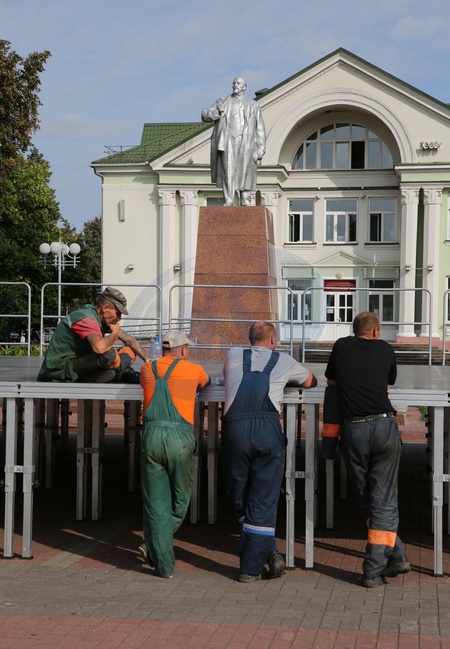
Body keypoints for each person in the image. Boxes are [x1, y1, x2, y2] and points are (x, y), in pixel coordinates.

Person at [221, 321, 317, 582]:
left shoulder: (233, 354)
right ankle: (251, 568)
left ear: (249, 338)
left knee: (239, 495)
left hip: (235, 433)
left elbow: (227, 377)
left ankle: (270, 553)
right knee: (262, 499)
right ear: (273, 340)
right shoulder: (284, 360)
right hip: (267, 433)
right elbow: (310, 381)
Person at [325, 311, 411, 588]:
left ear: (355, 330)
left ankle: (395, 556)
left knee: (365, 496)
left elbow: (331, 382)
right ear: (375, 331)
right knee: (383, 498)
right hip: (383, 427)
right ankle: (375, 568)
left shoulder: (340, 346)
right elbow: (389, 381)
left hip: (353, 430)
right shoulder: (385, 349)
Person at [138, 330, 211, 579]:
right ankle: (151, 545)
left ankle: (165, 566)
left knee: (155, 503)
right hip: (179, 440)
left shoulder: (146, 369)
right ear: (184, 349)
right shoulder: (193, 370)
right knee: (180, 501)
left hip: (151, 438)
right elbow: (206, 383)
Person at [37, 286, 149, 383]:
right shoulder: (86, 319)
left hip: (78, 363)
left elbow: (130, 340)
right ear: (105, 308)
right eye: (118, 313)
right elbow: (99, 348)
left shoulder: (101, 319)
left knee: (129, 350)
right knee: (109, 354)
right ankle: (122, 372)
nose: (119, 318)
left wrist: (148, 360)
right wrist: (114, 334)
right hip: (59, 369)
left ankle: (107, 374)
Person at [201, 76, 266, 207]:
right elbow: (204, 114)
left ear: (244, 87)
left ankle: (245, 200)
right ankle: (228, 200)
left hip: (247, 143)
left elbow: (260, 128)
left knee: (246, 171)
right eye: (234, 83)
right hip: (227, 141)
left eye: (238, 83)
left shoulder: (253, 105)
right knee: (228, 171)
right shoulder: (223, 101)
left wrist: (260, 149)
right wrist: (217, 112)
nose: (235, 85)